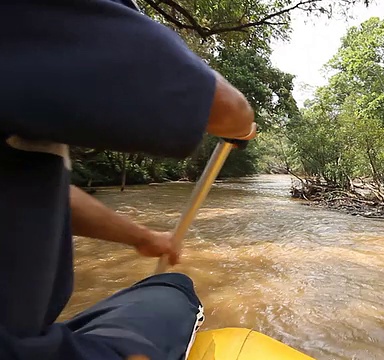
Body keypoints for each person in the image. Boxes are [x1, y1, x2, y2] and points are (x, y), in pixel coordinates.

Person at [0, 0, 257, 359]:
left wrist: (144, 237)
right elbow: (229, 108)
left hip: (26, 334)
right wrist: (244, 129)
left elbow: (50, 197)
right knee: (173, 287)